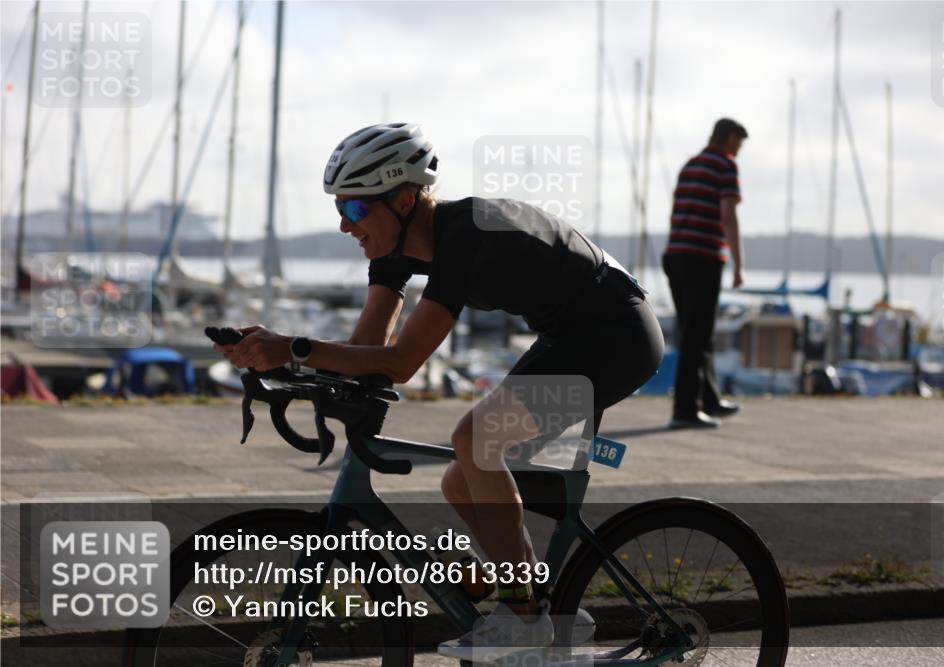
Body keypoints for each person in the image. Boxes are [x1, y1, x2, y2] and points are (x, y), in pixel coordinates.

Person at [215, 123, 664, 662]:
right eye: (339, 207)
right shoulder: (395, 249)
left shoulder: (465, 237)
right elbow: (366, 349)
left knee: (476, 439)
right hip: (572, 332)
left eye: (355, 210)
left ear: (405, 199)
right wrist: (284, 360)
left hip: (619, 334)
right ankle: (532, 601)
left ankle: (524, 615)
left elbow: (401, 363)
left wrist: (294, 348)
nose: (343, 224)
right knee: (459, 477)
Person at [663, 118, 747, 430]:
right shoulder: (725, 165)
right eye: (738, 143)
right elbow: (729, 216)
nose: (738, 151)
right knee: (698, 336)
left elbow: (675, 211)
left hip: (675, 255)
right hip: (703, 257)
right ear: (727, 138)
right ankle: (685, 410)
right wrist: (739, 264)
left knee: (694, 332)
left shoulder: (691, 165)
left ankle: (709, 399)